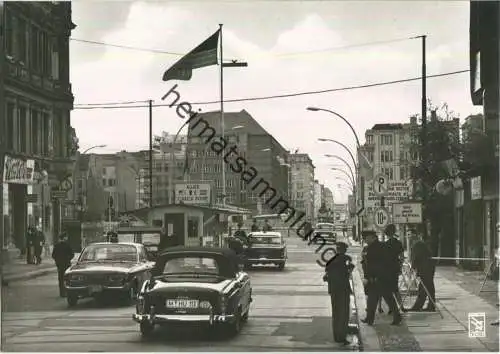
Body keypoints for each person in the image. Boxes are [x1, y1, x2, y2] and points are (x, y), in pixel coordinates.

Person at [361, 231, 402, 325]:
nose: (364, 240)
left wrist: (374, 276)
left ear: (372, 237)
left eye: (366, 238)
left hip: (380, 278)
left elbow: (382, 264)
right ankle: (370, 318)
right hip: (377, 278)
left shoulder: (379, 247)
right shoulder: (372, 247)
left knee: (386, 298)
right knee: (374, 298)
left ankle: (396, 316)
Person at [323, 242, 354, 345]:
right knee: (343, 314)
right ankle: (342, 336)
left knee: (336, 314)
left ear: (337, 250)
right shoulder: (347, 259)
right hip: (343, 290)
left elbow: (325, 277)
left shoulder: (331, 261)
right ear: (345, 250)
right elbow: (348, 271)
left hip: (334, 291)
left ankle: (337, 336)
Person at [408, 239, 436, 311]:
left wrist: (412, 268)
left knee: (423, 288)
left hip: (425, 269)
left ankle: (418, 306)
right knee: (429, 287)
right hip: (429, 268)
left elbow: (416, 258)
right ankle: (431, 306)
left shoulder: (416, 246)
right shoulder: (421, 245)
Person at [384, 224, 405, 313]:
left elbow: (383, 259)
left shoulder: (386, 244)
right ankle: (401, 306)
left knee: (388, 289)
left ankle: (392, 308)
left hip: (387, 269)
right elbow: (402, 257)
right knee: (395, 288)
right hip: (395, 268)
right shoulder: (398, 243)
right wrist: (400, 266)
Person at [52, 233, 75, 297]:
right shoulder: (67, 245)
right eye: (66, 237)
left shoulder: (56, 246)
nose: (67, 238)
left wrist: (57, 261)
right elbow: (72, 254)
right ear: (64, 238)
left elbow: (53, 255)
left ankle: (61, 292)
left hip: (59, 265)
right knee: (67, 278)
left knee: (61, 279)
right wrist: (68, 259)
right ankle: (67, 292)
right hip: (66, 264)